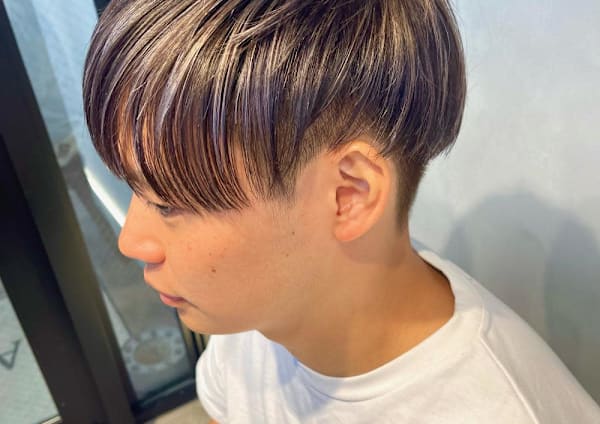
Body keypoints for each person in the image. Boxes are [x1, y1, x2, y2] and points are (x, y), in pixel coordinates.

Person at [83, 0, 600, 422]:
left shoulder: (498, 411)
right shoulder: (253, 313)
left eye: (168, 202)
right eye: (135, 189)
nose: (131, 241)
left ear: (347, 194)